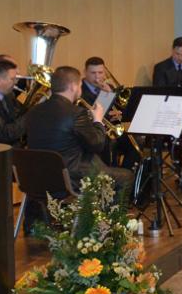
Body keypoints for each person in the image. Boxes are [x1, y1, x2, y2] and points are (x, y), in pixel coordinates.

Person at [25, 65, 132, 199]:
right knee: (126, 177)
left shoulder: (34, 111)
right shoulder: (76, 113)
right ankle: (106, 212)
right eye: (80, 85)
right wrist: (98, 120)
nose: (80, 89)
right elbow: (97, 145)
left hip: (40, 176)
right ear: (73, 87)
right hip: (71, 177)